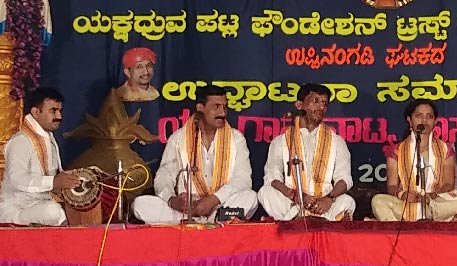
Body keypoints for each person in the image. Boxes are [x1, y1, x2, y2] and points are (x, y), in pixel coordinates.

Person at [132, 84, 259, 223]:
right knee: (140, 204)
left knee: (250, 197)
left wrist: (214, 199)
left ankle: (212, 220)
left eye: (225, 107)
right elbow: (164, 175)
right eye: (216, 106)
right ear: (200, 107)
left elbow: (243, 179)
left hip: (220, 206)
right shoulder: (178, 138)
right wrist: (173, 200)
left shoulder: (236, 138)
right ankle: (202, 223)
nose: (222, 113)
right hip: (187, 210)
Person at [259, 84, 355, 220]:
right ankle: (303, 218)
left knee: (347, 201)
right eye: (316, 101)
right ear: (299, 105)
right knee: (266, 192)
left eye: (324, 103)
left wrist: (329, 198)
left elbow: (345, 179)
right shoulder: (281, 141)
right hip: (292, 202)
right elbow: (272, 177)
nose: (321, 107)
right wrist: (295, 195)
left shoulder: (337, 141)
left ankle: (302, 220)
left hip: (323, 204)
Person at [372, 99, 457, 221]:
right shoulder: (396, 150)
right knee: (378, 201)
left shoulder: (446, 149)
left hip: (435, 202)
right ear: (409, 120)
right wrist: (402, 194)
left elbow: (448, 184)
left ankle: (423, 216)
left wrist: (432, 196)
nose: (424, 120)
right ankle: (430, 217)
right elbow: (392, 186)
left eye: (429, 116)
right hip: (407, 204)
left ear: (435, 121)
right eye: (419, 116)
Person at [0, 87, 81, 226]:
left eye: (60, 111)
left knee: (75, 209)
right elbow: (17, 180)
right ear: (36, 112)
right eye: (53, 111)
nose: (59, 116)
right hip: (18, 209)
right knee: (55, 213)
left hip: (44, 204)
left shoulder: (49, 140)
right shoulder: (21, 141)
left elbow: (55, 177)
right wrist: (53, 182)